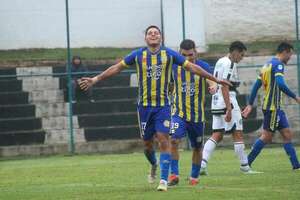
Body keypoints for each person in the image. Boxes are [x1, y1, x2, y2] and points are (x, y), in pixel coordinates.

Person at [79, 25, 230, 191]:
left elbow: (192, 67)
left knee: (165, 139)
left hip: (163, 107)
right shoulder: (137, 55)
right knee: (147, 145)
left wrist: (214, 80)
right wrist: (95, 79)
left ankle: (165, 180)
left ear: (161, 37)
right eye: (150, 33)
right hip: (144, 107)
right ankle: (154, 164)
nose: (153, 35)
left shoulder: (169, 55)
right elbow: (117, 68)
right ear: (145, 38)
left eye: (156, 33)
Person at [200, 41, 259, 175]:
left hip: (216, 101)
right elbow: (225, 85)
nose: (241, 58)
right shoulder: (229, 63)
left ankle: (202, 165)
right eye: (241, 55)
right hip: (227, 100)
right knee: (237, 133)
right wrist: (229, 108)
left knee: (217, 134)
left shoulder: (220, 61)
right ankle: (245, 166)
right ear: (235, 52)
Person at [242, 42, 300, 170]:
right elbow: (280, 84)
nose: (290, 57)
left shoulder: (266, 65)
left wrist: (250, 104)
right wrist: (295, 97)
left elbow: (255, 86)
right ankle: (246, 163)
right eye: (290, 54)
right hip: (272, 107)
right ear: (284, 52)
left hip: (274, 107)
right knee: (267, 136)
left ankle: (296, 166)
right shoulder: (278, 65)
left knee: (287, 133)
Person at [168, 39, 216, 186]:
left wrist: (213, 87)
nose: (187, 58)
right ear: (179, 53)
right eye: (184, 55)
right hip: (178, 113)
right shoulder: (174, 66)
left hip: (197, 116)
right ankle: (174, 175)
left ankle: (194, 177)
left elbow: (211, 80)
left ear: (196, 52)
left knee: (197, 147)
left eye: (190, 54)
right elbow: (169, 85)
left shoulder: (203, 66)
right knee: (173, 140)